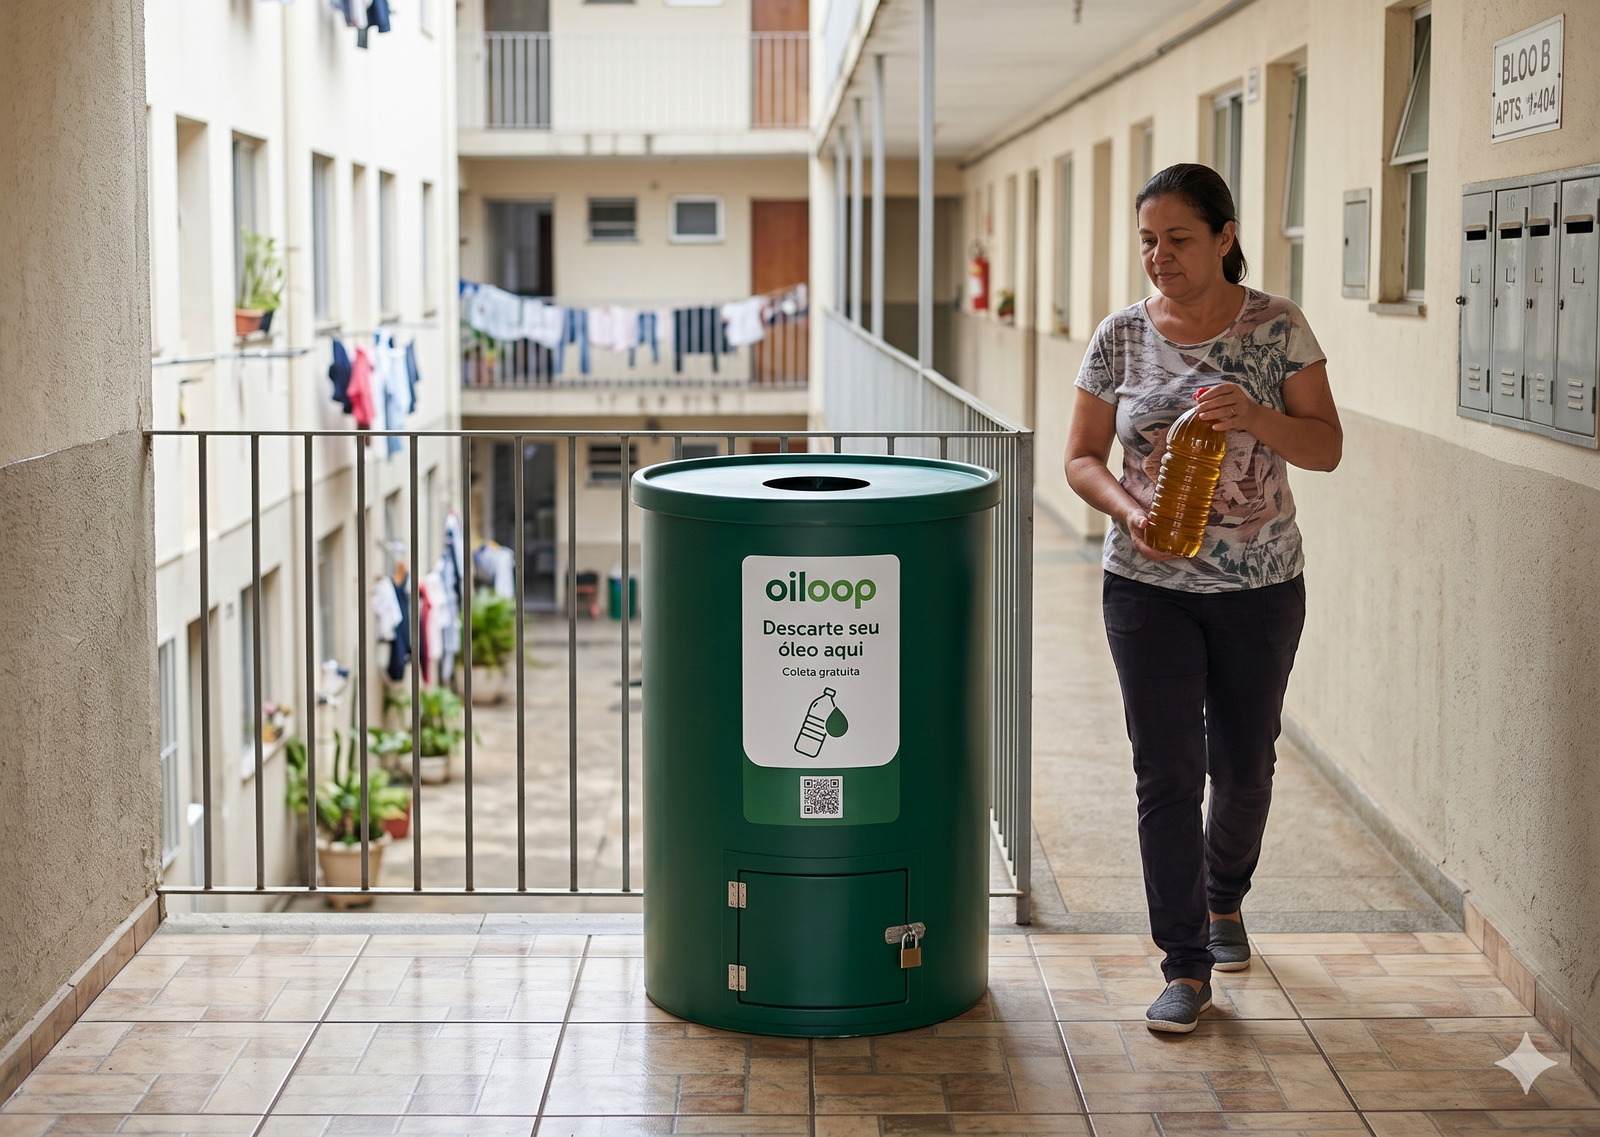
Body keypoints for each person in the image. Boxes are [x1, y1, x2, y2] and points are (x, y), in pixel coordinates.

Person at [1064, 163, 1343, 1033]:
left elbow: (1327, 446)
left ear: (1224, 236)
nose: (1160, 256)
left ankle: (1225, 898)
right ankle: (1184, 963)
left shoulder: (1278, 327)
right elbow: (1079, 458)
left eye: (1178, 238)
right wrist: (1128, 506)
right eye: (1148, 240)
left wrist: (1258, 416)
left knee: (1247, 762)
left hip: (1260, 589)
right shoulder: (1118, 337)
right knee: (1167, 771)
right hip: (1147, 588)